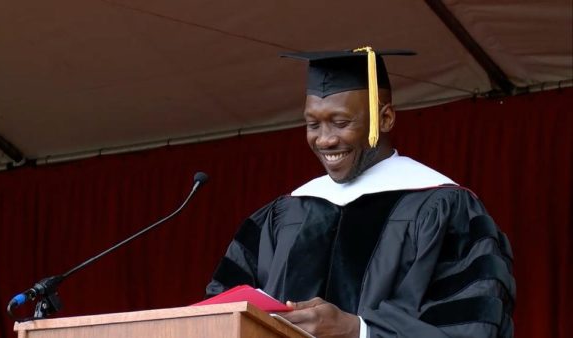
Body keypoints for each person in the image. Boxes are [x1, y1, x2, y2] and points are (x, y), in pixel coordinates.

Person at [206, 48, 515, 338]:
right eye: (313, 124)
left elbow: (473, 324)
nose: (325, 140)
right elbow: (222, 314)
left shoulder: (445, 210)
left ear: (385, 118)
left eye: (341, 123)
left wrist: (359, 330)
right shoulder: (282, 216)